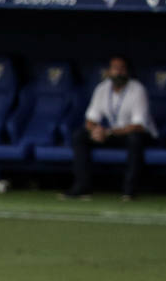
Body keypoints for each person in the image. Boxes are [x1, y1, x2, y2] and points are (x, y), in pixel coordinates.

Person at [63, 56, 157, 201]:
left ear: (128, 71)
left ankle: (129, 191)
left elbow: (138, 125)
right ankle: (82, 187)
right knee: (79, 136)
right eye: (115, 68)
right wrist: (96, 130)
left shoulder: (137, 89)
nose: (118, 72)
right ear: (109, 71)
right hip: (112, 133)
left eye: (122, 69)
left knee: (134, 140)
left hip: (139, 134)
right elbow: (90, 119)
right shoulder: (102, 88)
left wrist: (108, 132)